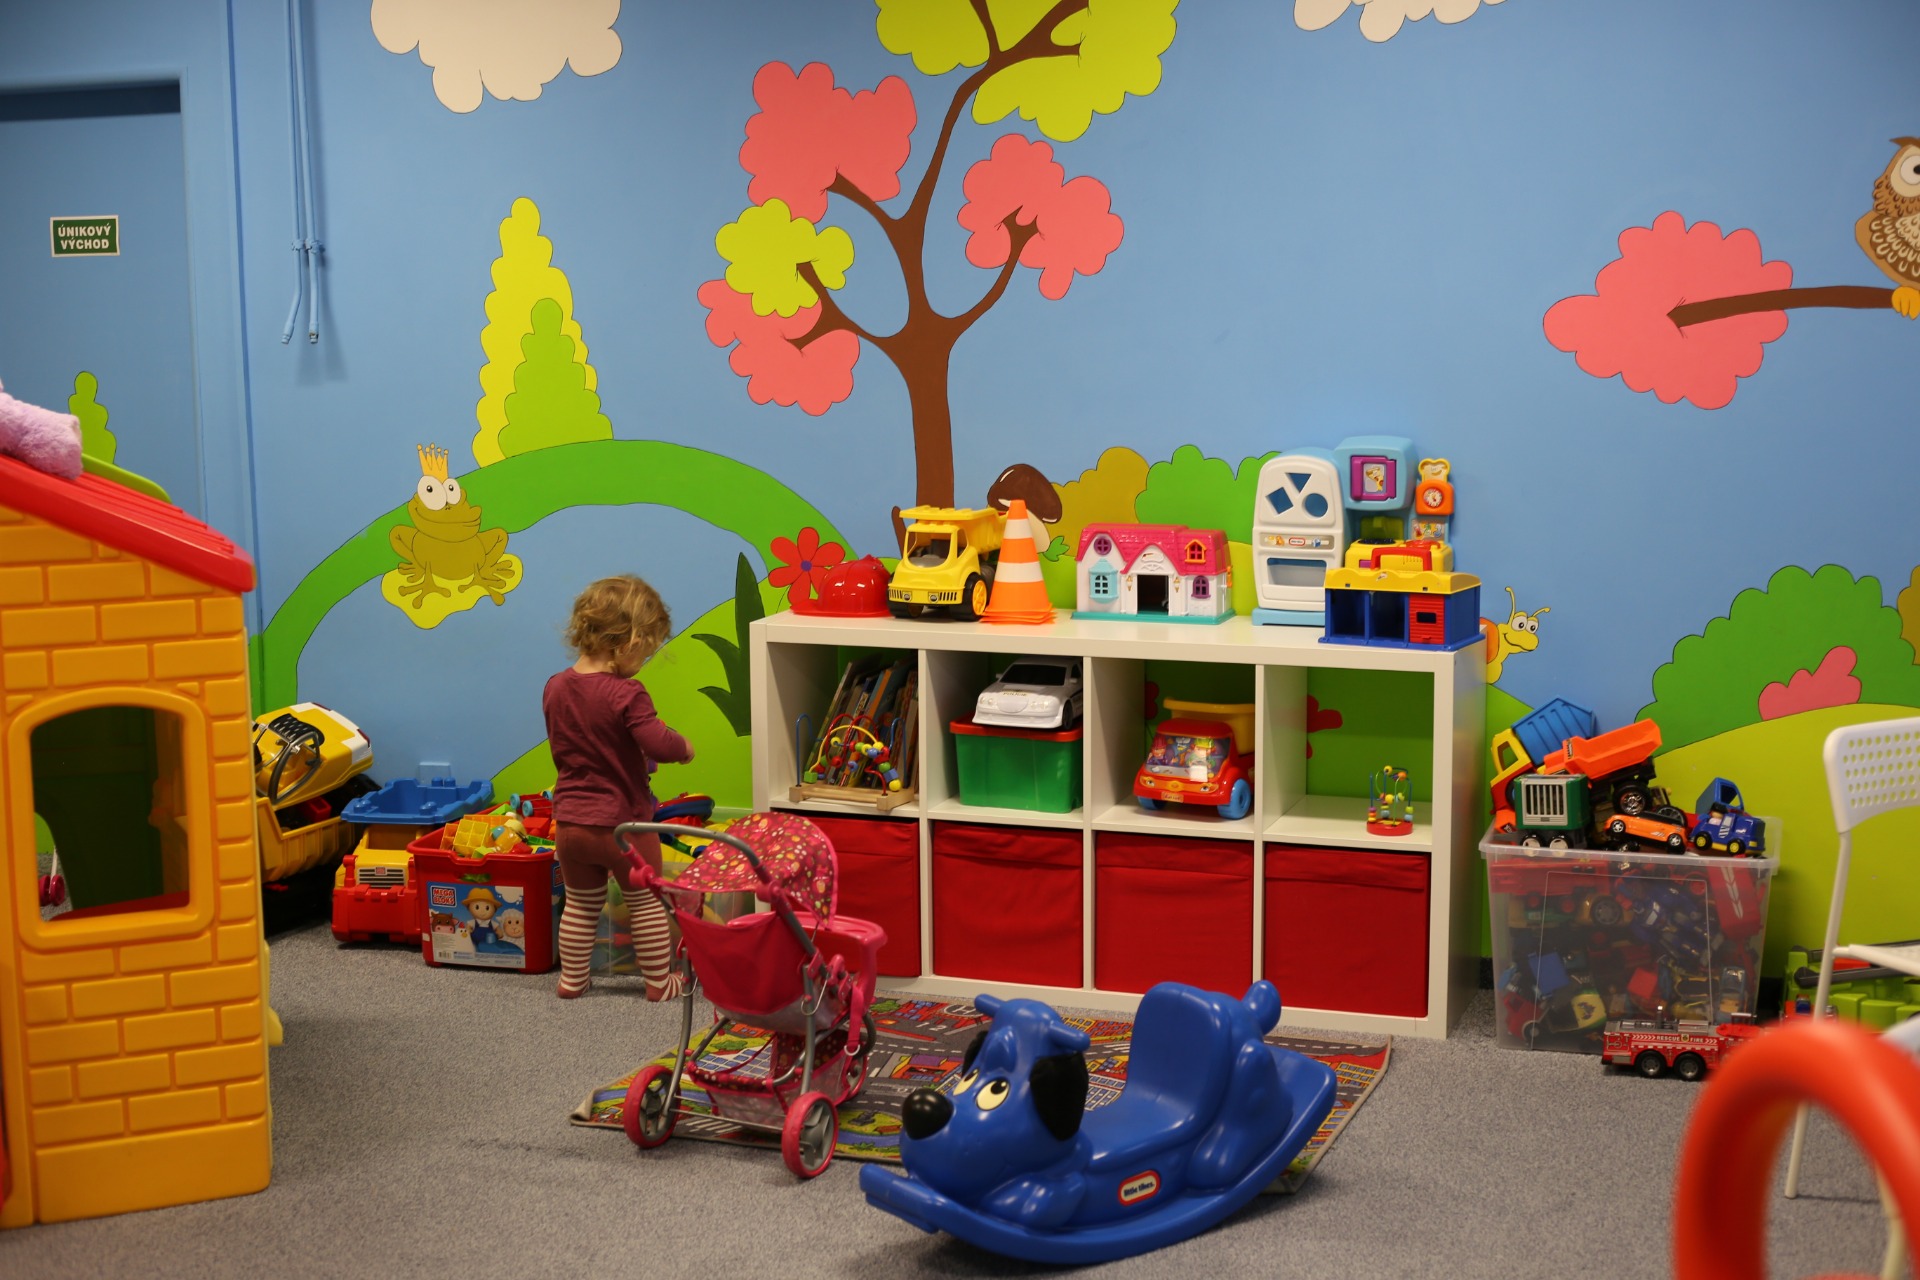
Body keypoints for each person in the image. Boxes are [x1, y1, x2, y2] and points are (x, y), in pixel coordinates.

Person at [543, 574, 694, 999]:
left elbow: (584, 740)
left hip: (571, 824)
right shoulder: (627, 693)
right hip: (624, 826)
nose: (643, 661)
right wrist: (683, 747)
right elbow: (657, 742)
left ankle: (572, 980)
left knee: (580, 904)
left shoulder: (555, 687)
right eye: (645, 652)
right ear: (628, 642)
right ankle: (659, 983)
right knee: (645, 903)